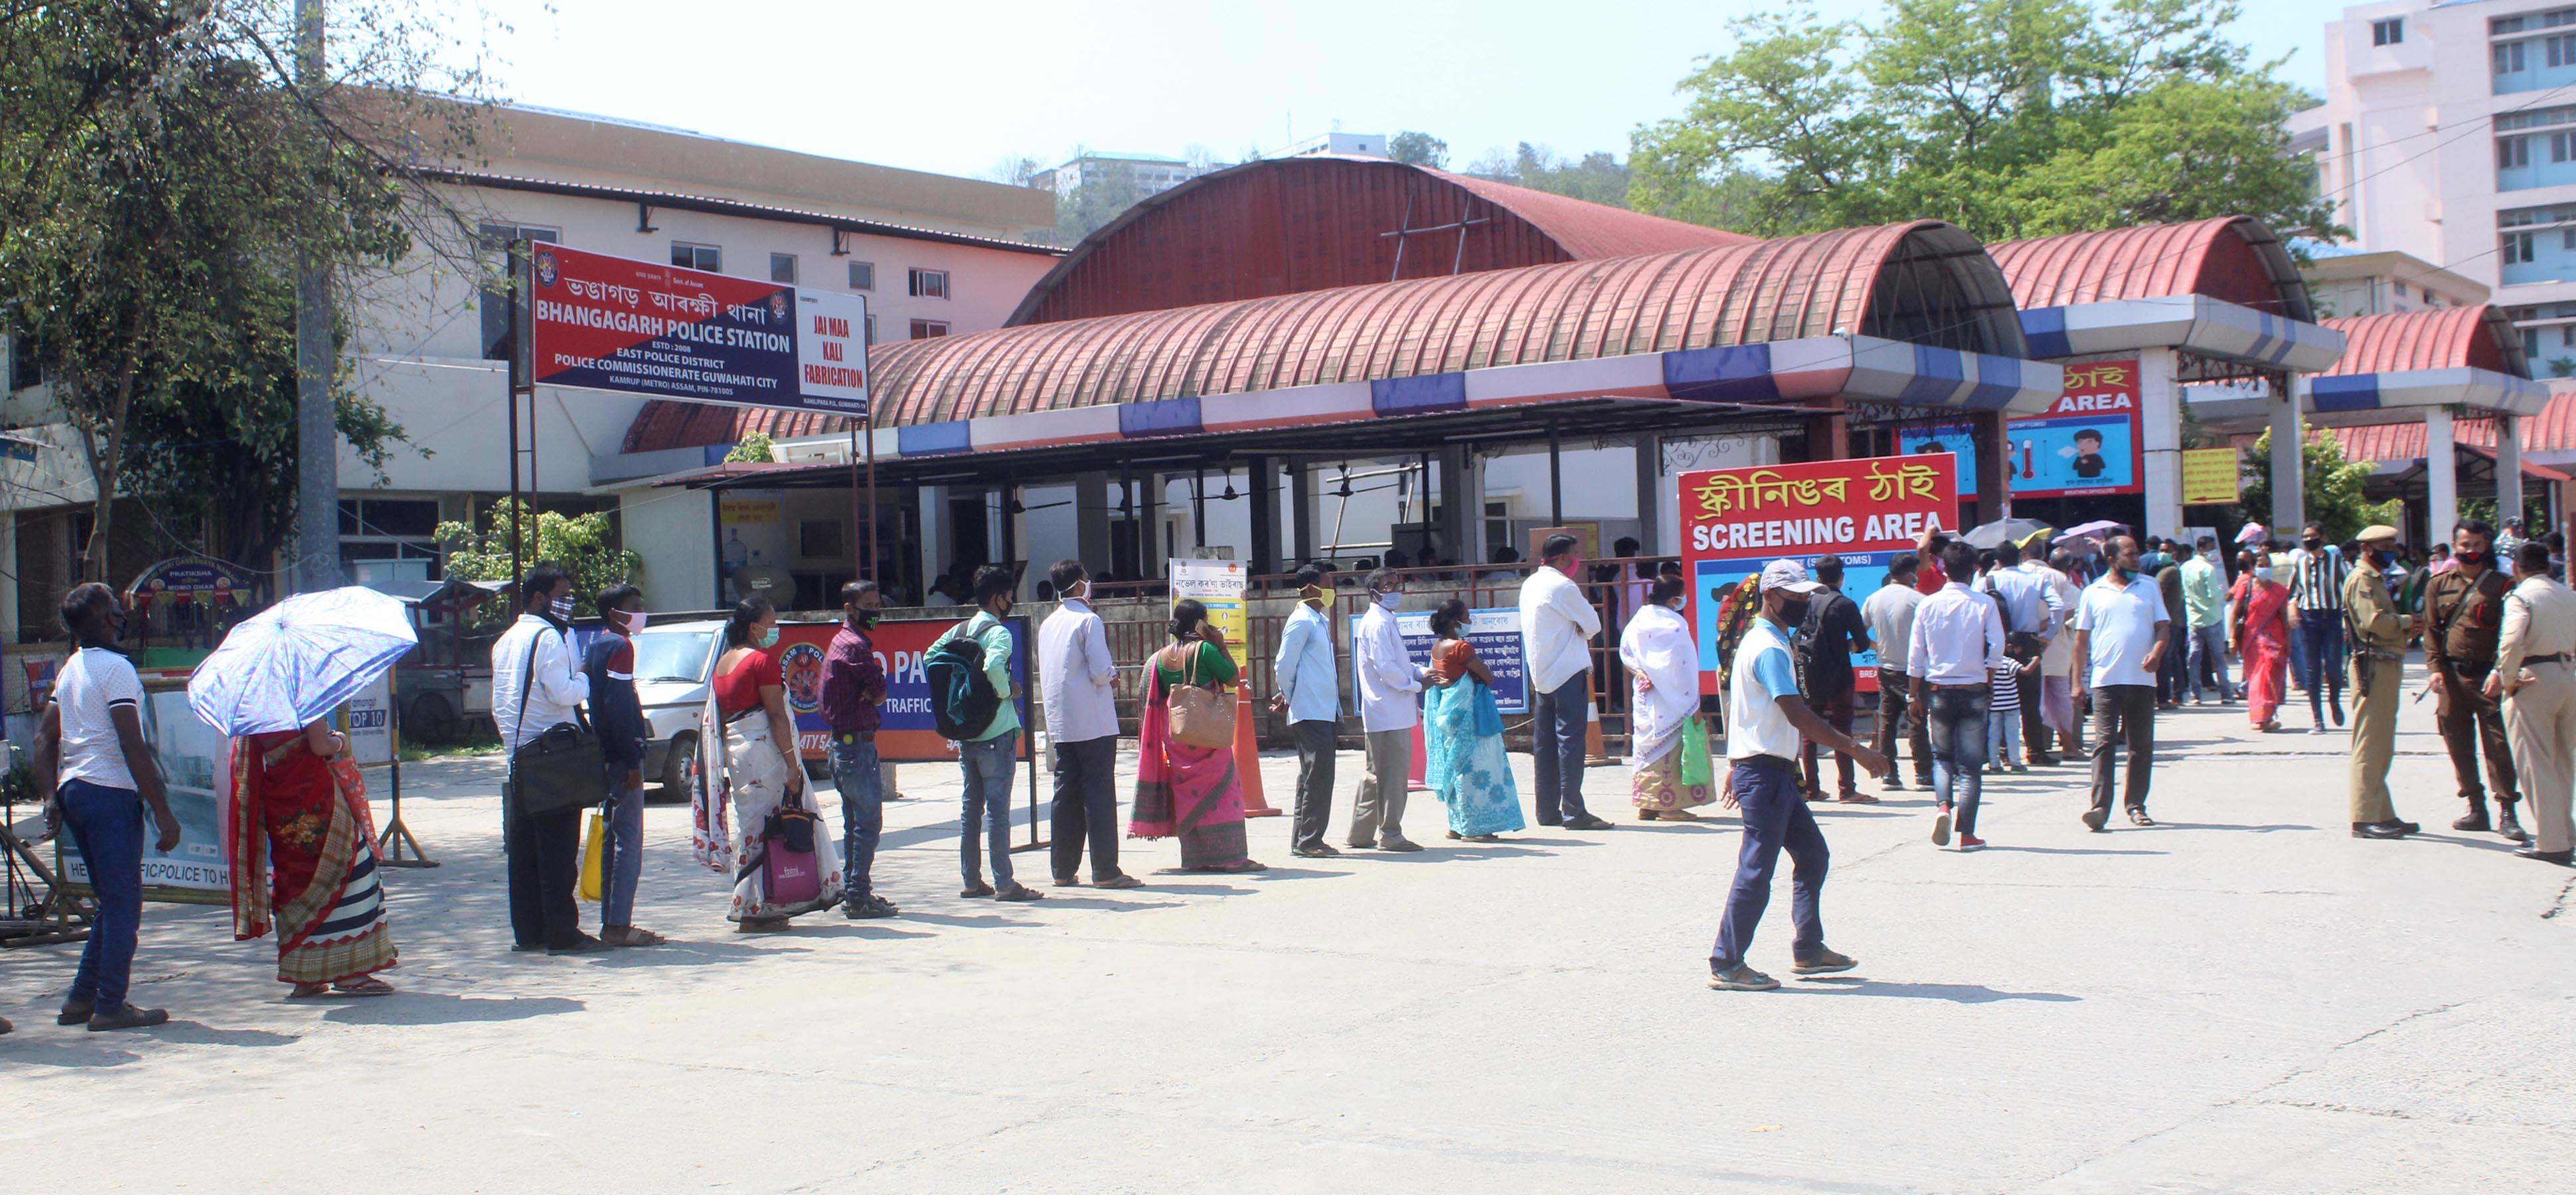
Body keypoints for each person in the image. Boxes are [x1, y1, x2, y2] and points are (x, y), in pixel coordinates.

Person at [1708, 560, 1890, 991]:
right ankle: (1727, 962)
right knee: (1756, 869)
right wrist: (1857, 750)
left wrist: (1736, 761)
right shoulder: (1768, 647)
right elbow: (1796, 713)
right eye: (1795, 599)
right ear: (1770, 597)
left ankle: (1808, 950)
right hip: (1766, 774)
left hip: (1773, 772)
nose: (1804, 606)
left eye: (1807, 598)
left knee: (1812, 856)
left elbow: (1746, 710)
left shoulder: (1767, 640)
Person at [36, 582, 180, 1030]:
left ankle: (81, 999)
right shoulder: (116, 669)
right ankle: (111, 1003)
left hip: (74, 790)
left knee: (109, 902)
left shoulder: (71, 668)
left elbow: (44, 738)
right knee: (124, 905)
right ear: (104, 620)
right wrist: (162, 809)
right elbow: (131, 743)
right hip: (109, 791)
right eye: (117, 610)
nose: (123, 617)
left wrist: (49, 799)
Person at [694, 594, 848, 927]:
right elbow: (777, 716)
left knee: (753, 829)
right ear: (754, 628)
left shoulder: (724, 663)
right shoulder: (760, 662)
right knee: (771, 828)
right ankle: (756, 907)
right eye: (772, 623)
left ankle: (755, 904)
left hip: (739, 757)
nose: (775, 628)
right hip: (764, 753)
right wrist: (793, 765)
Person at [230, 712, 400, 994]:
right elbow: (320, 746)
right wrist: (339, 740)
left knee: (294, 878)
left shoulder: (255, 707)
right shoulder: (303, 697)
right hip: (314, 793)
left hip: (280, 797)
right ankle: (349, 973)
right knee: (354, 870)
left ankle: (305, 976)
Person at [492, 564, 600, 954]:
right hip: (551, 757)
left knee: (524, 851)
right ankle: (562, 932)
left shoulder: (506, 639)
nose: (567, 603)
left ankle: (530, 930)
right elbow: (561, 692)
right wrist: (585, 678)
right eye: (562, 595)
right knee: (557, 850)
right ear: (539, 598)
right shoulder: (548, 638)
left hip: (518, 755)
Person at [1130, 599, 1267, 872]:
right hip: (1206, 731)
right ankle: (1231, 857)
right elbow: (1231, 679)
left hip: (1177, 734)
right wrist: (1221, 645)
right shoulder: (1204, 650)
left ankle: (1195, 858)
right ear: (1199, 623)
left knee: (1187, 792)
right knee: (1226, 789)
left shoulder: (1159, 657)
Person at [933, 566, 1043, 901]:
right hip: (997, 732)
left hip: (968, 733)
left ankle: (971, 880)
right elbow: (995, 666)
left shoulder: (957, 631)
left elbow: (931, 657)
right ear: (1000, 598)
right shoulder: (999, 633)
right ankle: (1005, 883)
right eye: (1010, 596)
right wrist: (1006, 690)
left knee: (971, 810)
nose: (1012, 601)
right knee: (998, 811)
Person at [2420, 520, 2530, 844]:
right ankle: (2475, 807)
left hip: (2488, 677)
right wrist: (2434, 669)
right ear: (2455, 547)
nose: (2471, 551)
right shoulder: (2438, 585)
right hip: (2452, 676)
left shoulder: (2502, 585)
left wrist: (2501, 672)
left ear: (2487, 546)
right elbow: (2432, 631)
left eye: (2477, 545)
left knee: (2498, 744)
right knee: (2457, 741)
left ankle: (2508, 810)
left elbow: (2512, 635)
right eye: (2465, 545)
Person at [1036, 560, 1139, 888]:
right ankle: (1105, 869)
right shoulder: (1089, 621)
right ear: (1080, 584)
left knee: (1066, 792)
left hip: (1061, 721)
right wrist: (1114, 677)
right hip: (1093, 721)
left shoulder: (1048, 623)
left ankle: (1062, 869)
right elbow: (1099, 670)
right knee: (1099, 793)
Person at [582, 584, 665, 946]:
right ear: (615, 613)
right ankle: (618, 924)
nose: (640, 613)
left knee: (613, 837)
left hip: (603, 752)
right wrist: (631, 759)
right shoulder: (620, 646)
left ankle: (612, 920)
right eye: (635, 607)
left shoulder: (595, 645)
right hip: (622, 755)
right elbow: (618, 705)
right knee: (628, 840)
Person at [1911, 540, 2007, 851]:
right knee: (1971, 766)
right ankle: (1967, 834)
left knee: (1941, 757)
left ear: (1944, 569)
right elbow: (1997, 648)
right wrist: (1988, 677)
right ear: (1976, 570)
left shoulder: (1927, 604)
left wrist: (1914, 695)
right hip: (1974, 689)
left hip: (1938, 689)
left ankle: (1942, 806)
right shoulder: (1984, 604)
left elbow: (1916, 655)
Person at [2071, 535, 2170, 831]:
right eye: (2130, 555)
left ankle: (2137, 806)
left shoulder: (2149, 586)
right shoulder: (2093, 592)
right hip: (2106, 680)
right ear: (2112, 559)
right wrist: (2078, 683)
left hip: (2142, 680)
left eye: (2137, 554)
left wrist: (2157, 652)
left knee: (2140, 746)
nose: (2137, 560)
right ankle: (2099, 808)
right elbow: (2081, 641)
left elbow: (2163, 627)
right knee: (2104, 744)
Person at [2489, 539, 2576, 865]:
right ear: (2549, 565)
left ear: (2516, 567)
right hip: (2568, 676)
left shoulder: (2521, 596)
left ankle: (2552, 843)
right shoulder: (2569, 595)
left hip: (2534, 678)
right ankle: (2566, 834)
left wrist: (2508, 679)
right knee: (2563, 763)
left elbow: (2511, 641)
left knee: (2535, 764)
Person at [1519, 534, 1613, 830]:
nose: (1577, 561)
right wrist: (1577, 628)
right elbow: (1593, 625)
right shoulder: (1563, 586)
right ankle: (1574, 811)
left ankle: (1547, 811)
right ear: (1562, 558)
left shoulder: (1530, 583)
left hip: (1541, 673)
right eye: (1574, 555)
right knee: (1570, 744)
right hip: (1567, 672)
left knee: (1544, 745)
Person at [820, 579, 902, 918]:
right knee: (867, 824)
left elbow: (874, 691)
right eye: (867, 607)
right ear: (849, 608)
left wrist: (871, 693)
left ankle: (857, 890)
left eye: (877, 606)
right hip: (855, 748)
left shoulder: (843, 641)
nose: (874, 612)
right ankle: (857, 895)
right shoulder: (854, 647)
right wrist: (871, 694)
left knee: (854, 823)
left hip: (844, 746)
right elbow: (879, 690)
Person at [1425, 598, 1526, 840]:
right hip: (1469, 719)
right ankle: (1476, 828)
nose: (1469, 623)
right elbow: (1488, 677)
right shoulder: (1462, 648)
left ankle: (1456, 824)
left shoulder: (1437, 647)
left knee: (1456, 768)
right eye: (1467, 618)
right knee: (1476, 770)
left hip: (1448, 715)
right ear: (1455, 622)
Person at [2344, 526, 2421, 840]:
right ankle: (2364, 817)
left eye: (2392, 544)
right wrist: (2407, 622)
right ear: (2367, 549)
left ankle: (2382, 812)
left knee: (2382, 743)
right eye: (2384, 545)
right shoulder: (2362, 579)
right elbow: (2373, 623)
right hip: (2371, 663)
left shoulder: (2375, 578)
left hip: (2385, 663)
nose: (2391, 549)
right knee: (2370, 743)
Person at [1352, 568, 1433, 850]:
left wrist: (1422, 672)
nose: (1394, 591)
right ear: (1373, 592)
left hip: (1387, 710)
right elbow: (1387, 668)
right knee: (1394, 776)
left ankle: (1361, 834)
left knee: (1377, 774)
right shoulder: (1378, 624)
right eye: (1388, 586)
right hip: (1389, 709)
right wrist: (1416, 686)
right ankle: (1391, 833)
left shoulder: (1386, 620)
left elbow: (1398, 663)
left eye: (1396, 585)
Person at [1622, 576, 1715, 821]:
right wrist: (1693, 703)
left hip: (1645, 694)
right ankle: (1669, 806)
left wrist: (1641, 673)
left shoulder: (1639, 619)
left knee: (1647, 746)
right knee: (1672, 746)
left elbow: (1626, 653)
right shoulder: (1676, 625)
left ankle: (1647, 803)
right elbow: (1681, 666)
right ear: (1675, 598)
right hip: (1673, 699)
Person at [1271, 564, 1342, 858]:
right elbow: (1284, 665)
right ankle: (1309, 840)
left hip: (1323, 708)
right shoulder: (1301, 620)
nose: (1332, 590)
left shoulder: (1317, 620)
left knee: (1314, 775)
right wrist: (1290, 694)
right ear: (1312, 589)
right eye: (1328, 584)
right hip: (1311, 709)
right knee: (1318, 776)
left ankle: (1305, 838)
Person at [1797, 555, 1876, 803]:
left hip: (1810, 674)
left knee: (1810, 732)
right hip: (1840, 676)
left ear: (1817, 578)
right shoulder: (1845, 604)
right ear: (1842, 577)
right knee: (1843, 729)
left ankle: (1812, 789)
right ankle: (1847, 789)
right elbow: (1862, 643)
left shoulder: (1806, 603)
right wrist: (1847, 645)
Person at [1982, 540, 2064, 765]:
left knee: (1998, 700)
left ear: (1997, 562)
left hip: (1996, 644)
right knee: (2030, 700)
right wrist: (2048, 636)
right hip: (2028, 643)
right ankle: (2035, 752)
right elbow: (2058, 606)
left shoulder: (1987, 581)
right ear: (2020, 558)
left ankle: (2003, 752)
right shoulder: (2037, 580)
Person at [1860, 556, 1934, 793]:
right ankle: (1923, 774)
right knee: (1917, 722)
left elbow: (1861, 636)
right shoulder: (1919, 600)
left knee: (1888, 724)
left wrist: (1879, 647)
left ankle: (1889, 775)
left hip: (1886, 668)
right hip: (1915, 672)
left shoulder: (1874, 599)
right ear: (1911, 574)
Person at [2287, 522, 2350, 734]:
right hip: (2309, 619)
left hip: (2331, 618)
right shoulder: (2300, 563)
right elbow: (2293, 592)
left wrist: (2348, 620)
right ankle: (2318, 720)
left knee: (2333, 666)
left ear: (2322, 538)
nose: (2307, 540)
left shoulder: (2336, 561)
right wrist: (2293, 608)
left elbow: (2347, 588)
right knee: (2313, 670)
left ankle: (2334, 700)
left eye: (2312, 536)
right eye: (2304, 537)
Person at [2231, 550, 2294, 733]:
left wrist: (2288, 641)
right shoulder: (2246, 587)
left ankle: (2266, 716)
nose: (2263, 569)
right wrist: (2232, 638)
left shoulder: (2280, 591)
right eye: (2260, 566)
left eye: (2267, 566)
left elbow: (2284, 619)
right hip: (2251, 640)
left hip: (2274, 641)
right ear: (2253, 567)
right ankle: (2260, 717)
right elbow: (2235, 614)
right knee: (2257, 678)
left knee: (2270, 676)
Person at [2034, 548, 2085, 757]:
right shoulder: (2065, 582)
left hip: (2034, 646)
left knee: (2037, 698)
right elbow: (2072, 611)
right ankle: (2069, 744)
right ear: (2069, 567)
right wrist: (2048, 625)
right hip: (2060, 649)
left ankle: (2040, 744)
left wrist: (2036, 627)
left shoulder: (2033, 575)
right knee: (2062, 696)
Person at [2181, 536, 2238, 704]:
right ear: (2203, 549)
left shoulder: (2185, 567)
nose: (2214, 552)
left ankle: (2195, 694)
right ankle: (2226, 694)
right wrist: (2221, 592)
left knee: (2194, 659)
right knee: (2219, 658)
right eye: (2212, 548)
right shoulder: (2208, 569)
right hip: (2212, 619)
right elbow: (2213, 596)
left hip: (2193, 619)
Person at [2154, 544, 2192, 710]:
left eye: (2166, 551)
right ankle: (2177, 694)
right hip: (2173, 620)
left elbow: (2157, 590)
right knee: (2174, 659)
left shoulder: (2169, 572)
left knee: (2165, 659)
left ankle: (2164, 698)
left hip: (2168, 622)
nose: (2162, 554)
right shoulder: (2171, 570)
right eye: (2161, 550)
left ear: (2174, 553)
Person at [1987, 652, 2026, 773]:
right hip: (2012, 705)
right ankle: (2016, 764)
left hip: (1994, 705)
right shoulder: (2008, 661)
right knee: (2012, 735)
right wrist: (2036, 658)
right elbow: (2026, 671)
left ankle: (1994, 765)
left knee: (1993, 736)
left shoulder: (1985, 662)